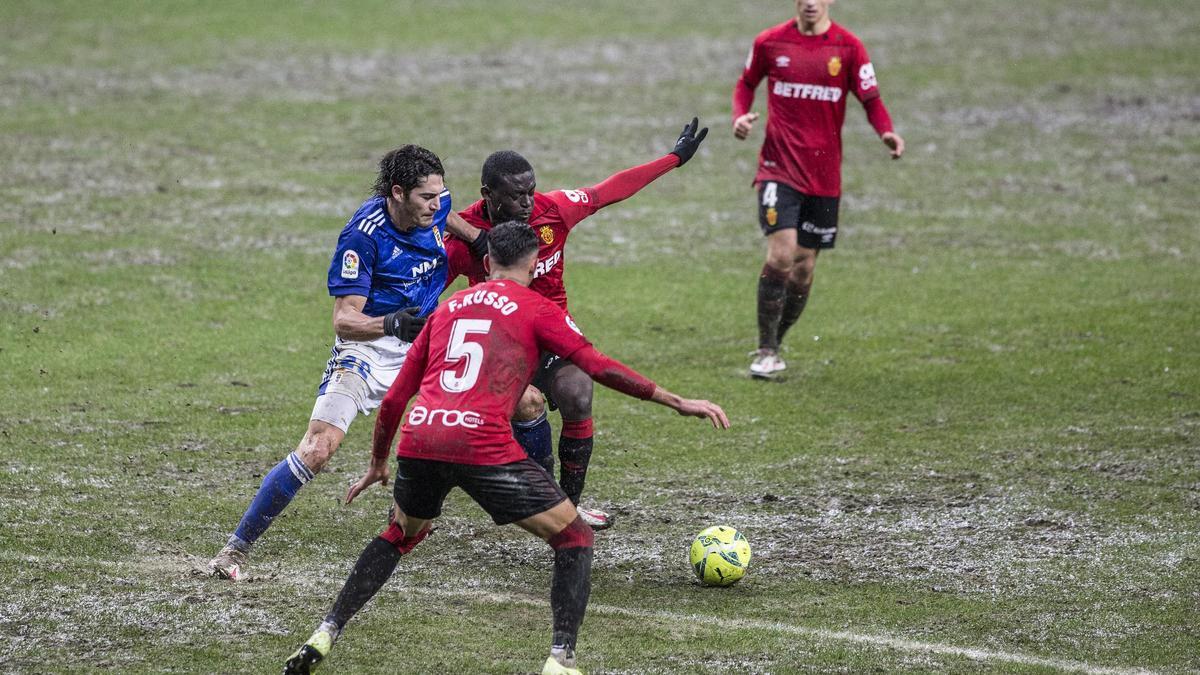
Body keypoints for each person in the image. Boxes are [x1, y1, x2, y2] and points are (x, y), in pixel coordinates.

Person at [283, 222, 729, 675]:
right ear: (535, 263)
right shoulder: (537, 307)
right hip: (481, 442)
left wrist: (379, 462)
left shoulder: (448, 307)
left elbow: (397, 397)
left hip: (421, 437)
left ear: (487, 261)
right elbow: (596, 366)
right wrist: (676, 401)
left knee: (401, 534)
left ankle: (326, 629)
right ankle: (561, 659)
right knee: (575, 536)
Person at [208, 145, 476, 579]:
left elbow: (448, 215)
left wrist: (477, 239)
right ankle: (234, 550)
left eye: (439, 194)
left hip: (426, 340)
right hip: (370, 346)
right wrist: (390, 324)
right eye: (426, 197)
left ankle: (556, 505)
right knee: (317, 450)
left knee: (518, 405)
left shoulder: (434, 205)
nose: (437, 204)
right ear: (397, 192)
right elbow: (345, 321)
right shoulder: (363, 237)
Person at [443, 118, 708, 530]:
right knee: (514, 410)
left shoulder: (553, 211)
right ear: (488, 195)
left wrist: (673, 159)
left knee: (579, 392)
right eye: (516, 196)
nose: (528, 203)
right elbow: (428, 284)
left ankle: (568, 506)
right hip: (501, 344)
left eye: (531, 192)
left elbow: (610, 190)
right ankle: (519, 493)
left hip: (551, 335)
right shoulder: (465, 237)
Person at [733, 0, 904, 378]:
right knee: (781, 254)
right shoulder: (770, 43)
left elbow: (871, 100)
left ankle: (778, 339)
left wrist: (886, 132)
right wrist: (740, 117)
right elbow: (746, 84)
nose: (811, 2)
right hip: (778, 168)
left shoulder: (848, 47)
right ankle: (766, 349)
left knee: (804, 268)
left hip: (824, 177)